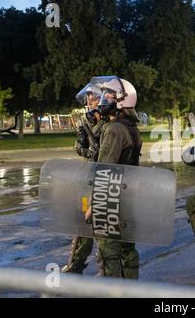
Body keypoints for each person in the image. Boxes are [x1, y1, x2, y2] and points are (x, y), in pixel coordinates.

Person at [88, 76, 142, 278]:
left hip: (110, 199)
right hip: (129, 199)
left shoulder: (114, 130)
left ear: (121, 101)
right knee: (128, 251)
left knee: (109, 252)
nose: (103, 99)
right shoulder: (130, 127)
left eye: (109, 96)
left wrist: (95, 204)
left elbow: (105, 169)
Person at [62, 84, 105, 274]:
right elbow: (79, 148)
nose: (89, 100)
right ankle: (77, 262)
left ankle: (106, 265)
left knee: (103, 223)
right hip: (88, 178)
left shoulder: (108, 120)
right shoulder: (84, 122)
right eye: (88, 97)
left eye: (94, 97)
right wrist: (88, 148)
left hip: (105, 178)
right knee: (83, 220)